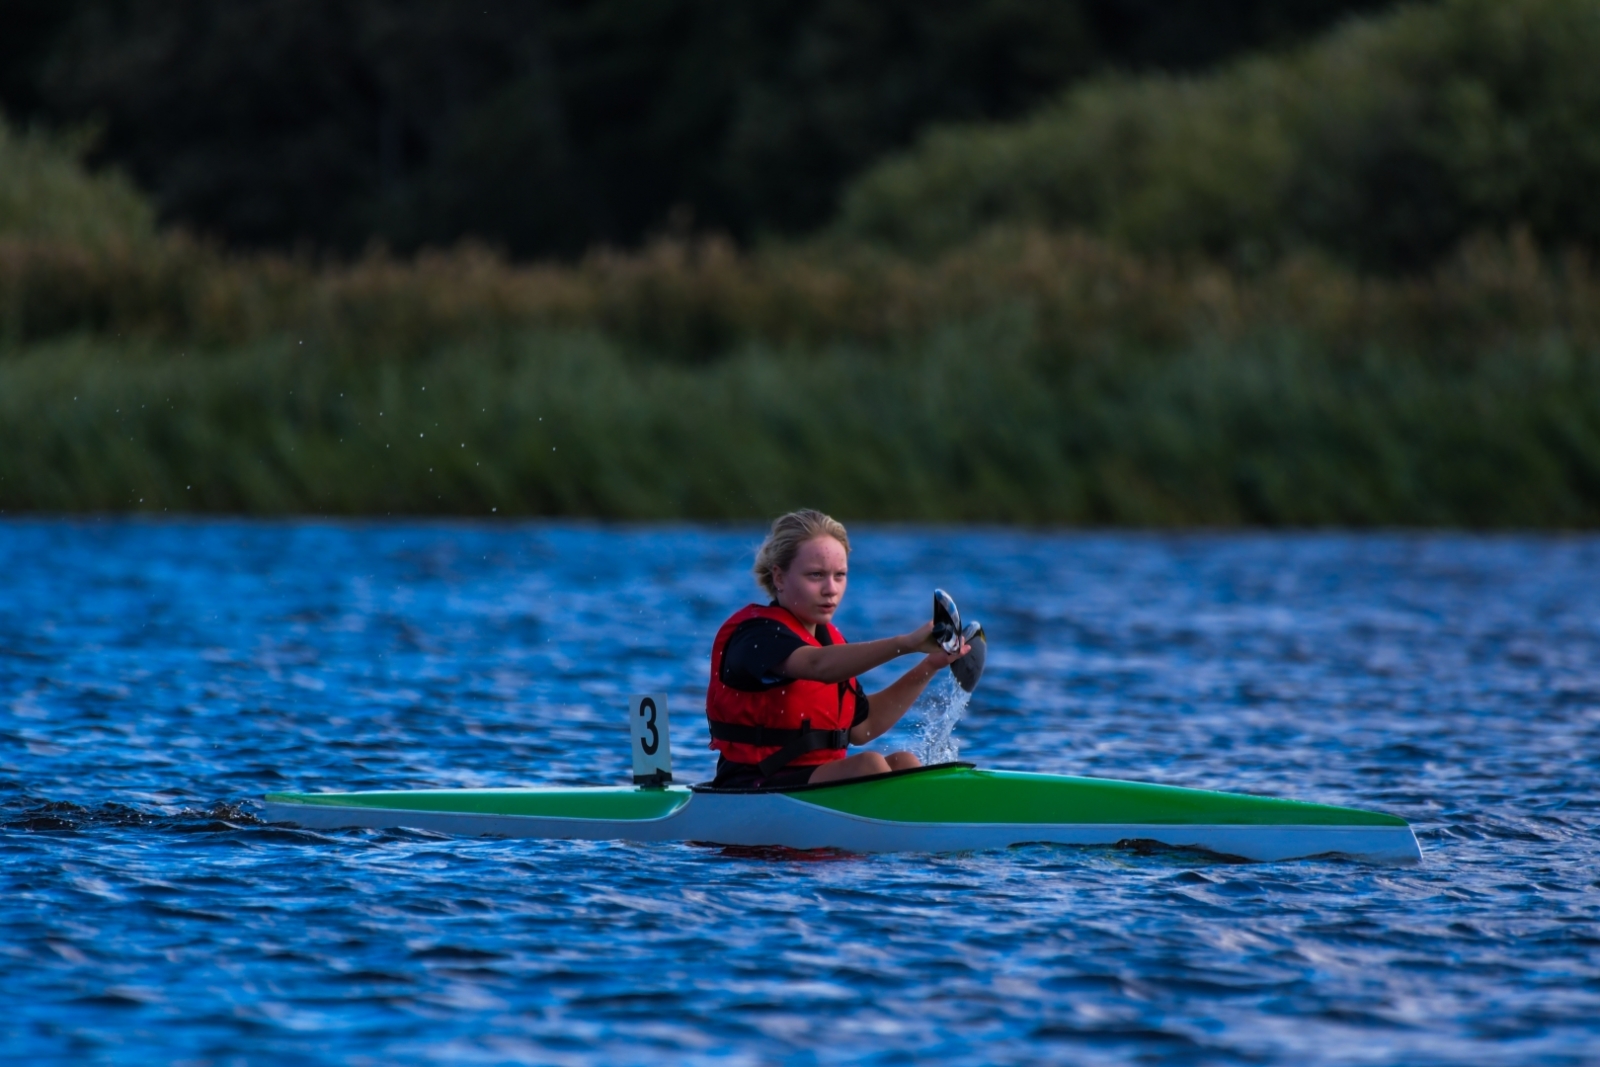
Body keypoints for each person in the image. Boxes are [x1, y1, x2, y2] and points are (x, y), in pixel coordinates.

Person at [706, 509, 971, 790]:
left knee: (905, 763)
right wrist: (905, 644)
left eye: (839, 575)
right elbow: (817, 666)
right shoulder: (755, 636)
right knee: (868, 766)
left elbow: (863, 727)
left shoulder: (829, 640)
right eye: (816, 575)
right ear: (779, 578)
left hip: (813, 783)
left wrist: (930, 665)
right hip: (751, 783)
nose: (830, 589)